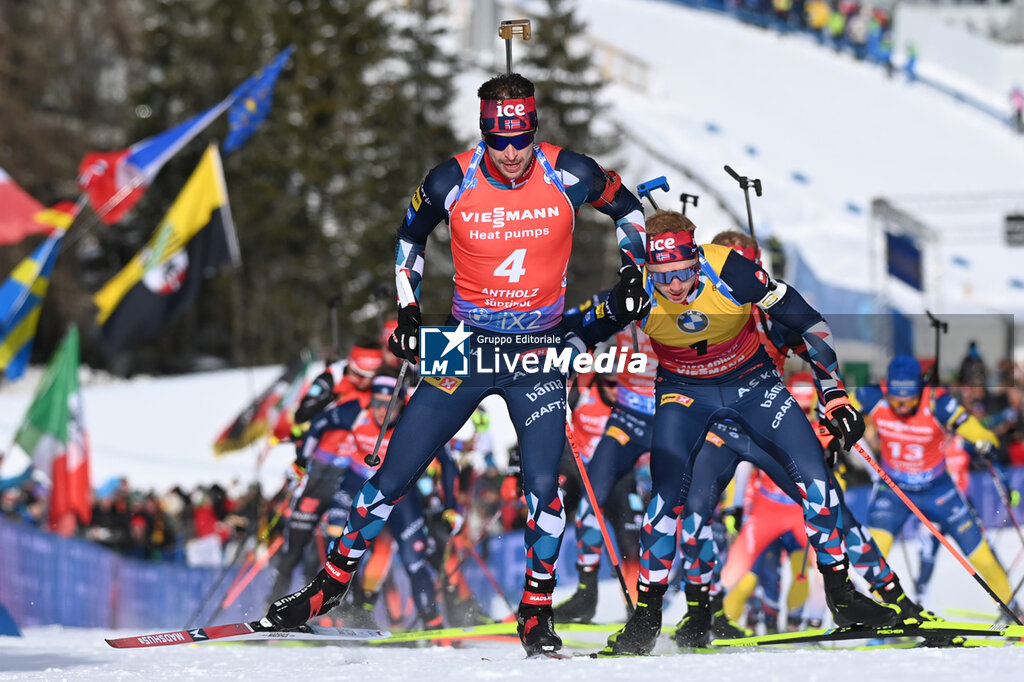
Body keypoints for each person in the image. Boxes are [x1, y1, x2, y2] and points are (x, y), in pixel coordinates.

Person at [264, 72, 648, 656]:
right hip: (465, 346)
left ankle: (536, 611)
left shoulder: (571, 171)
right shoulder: (453, 177)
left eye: (523, 138)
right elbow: (407, 240)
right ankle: (330, 586)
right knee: (394, 470)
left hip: (539, 349)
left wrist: (633, 272)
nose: (514, 153)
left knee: (545, 487)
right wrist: (409, 309)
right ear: (484, 133)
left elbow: (631, 212)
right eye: (500, 140)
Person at [573, 210, 899, 655]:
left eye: (684, 272)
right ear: (649, 267)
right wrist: (557, 370)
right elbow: (580, 336)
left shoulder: (731, 269)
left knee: (819, 484)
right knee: (666, 499)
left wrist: (835, 395)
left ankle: (841, 595)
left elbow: (810, 322)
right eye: (663, 275)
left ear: (698, 258)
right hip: (684, 392)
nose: (674, 285)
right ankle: (647, 618)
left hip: (753, 385)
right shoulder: (637, 289)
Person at [855, 355, 1015, 612]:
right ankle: (885, 614)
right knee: (874, 554)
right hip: (894, 489)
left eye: (909, 399)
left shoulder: (937, 401)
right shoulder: (873, 395)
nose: (902, 405)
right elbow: (833, 409)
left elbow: (974, 429)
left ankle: (1011, 610)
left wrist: (985, 441)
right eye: (896, 398)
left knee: (982, 556)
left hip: (937, 489)